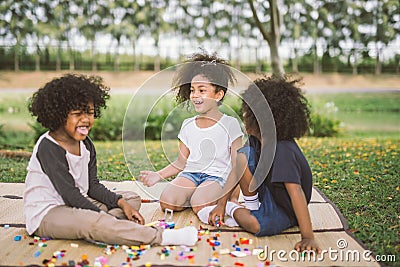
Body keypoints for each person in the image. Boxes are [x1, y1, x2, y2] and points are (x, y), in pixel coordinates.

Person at [24, 74, 198, 246]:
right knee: (94, 220)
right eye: (77, 114)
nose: (85, 119)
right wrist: (102, 216)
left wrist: (122, 203)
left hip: (76, 204)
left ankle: (109, 227)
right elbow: (70, 196)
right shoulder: (50, 147)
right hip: (48, 213)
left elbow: (92, 186)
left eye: (90, 113)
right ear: (59, 115)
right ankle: (159, 236)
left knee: (131, 199)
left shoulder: (85, 143)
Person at [207, 75, 321, 252]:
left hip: (285, 207)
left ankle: (234, 208)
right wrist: (220, 204)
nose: (244, 115)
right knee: (242, 156)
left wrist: (308, 237)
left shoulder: (283, 149)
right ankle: (250, 206)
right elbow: (238, 168)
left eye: (248, 113)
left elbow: (296, 192)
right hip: (269, 191)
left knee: (256, 226)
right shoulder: (256, 139)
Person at [139, 52, 243, 218]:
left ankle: (207, 198)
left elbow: (239, 165)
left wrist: (234, 196)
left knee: (199, 203)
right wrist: (157, 175)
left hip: (217, 177)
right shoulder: (188, 125)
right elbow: (181, 162)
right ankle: (197, 195)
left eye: (202, 90)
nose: (195, 95)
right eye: (192, 90)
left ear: (218, 95)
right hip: (191, 174)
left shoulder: (230, 124)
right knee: (167, 202)